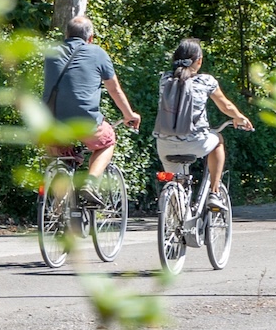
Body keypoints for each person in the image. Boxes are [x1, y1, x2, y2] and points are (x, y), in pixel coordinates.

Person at [152, 38, 252, 207]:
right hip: (195, 142)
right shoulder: (206, 81)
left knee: (177, 183)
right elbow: (226, 105)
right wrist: (239, 117)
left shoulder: (165, 79)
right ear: (198, 61)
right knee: (218, 140)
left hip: (165, 143)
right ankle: (214, 192)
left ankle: (176, 216)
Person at [42, 15, 142, 177]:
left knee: (60, 156)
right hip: (85, 123)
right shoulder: (97, 53)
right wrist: (129, 115)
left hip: (50, 123)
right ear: (90, 38)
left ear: (66, 35)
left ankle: (56, 200)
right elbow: (114, 89)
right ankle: (91, 181)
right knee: (107, 142)